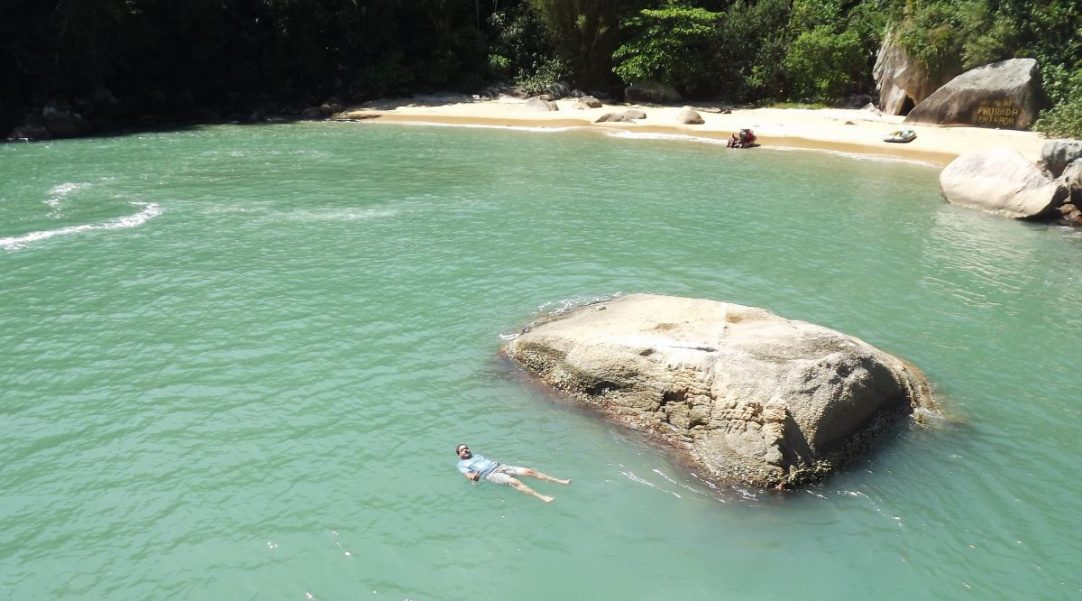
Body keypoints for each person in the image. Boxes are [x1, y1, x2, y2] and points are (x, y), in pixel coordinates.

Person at [455, 443, 570, 503]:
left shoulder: (477, 455)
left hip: (500, 467)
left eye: (467, 448)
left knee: (529, 471)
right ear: (458, 454)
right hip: (491, 475)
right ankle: (541, 497)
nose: (466, 450)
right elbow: (468, 476)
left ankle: (558, 481)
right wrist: (474, 477)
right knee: (514, 481)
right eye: (462, 450)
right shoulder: (461, 464)